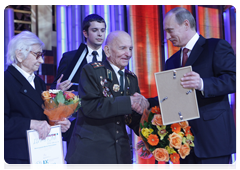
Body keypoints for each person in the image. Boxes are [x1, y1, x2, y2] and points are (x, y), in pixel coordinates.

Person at [162, 7, 238, 169]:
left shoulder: (216, 46)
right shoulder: (171, 61)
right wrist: (144, 102)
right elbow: (169, 97)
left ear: (186, 24)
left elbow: (234, 79)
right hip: (185, 144)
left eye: (170, 30)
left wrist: (202, 83)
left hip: (214, 141)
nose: (167, 37)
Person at [65, 30, 149, 168]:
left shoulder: (131, 78)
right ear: (107, 50)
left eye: (130, 48)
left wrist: (154, 130)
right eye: (122, 48)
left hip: (120, 155)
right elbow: (91, 107)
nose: (128, 53)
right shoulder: (91, 71)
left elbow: (132, 117)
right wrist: (129, 102)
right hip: (91, 154)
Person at [4, 31, 71, 169]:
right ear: (19, 54)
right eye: (37, 55)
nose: (41, 60)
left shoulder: (38, 82)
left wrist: (56, 123)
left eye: (42, 55)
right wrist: (31, 124)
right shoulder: (5, 81)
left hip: (41, 154)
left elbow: (42, 117)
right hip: (18, 159)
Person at [50, 14, 107, 92]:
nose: (100, 34)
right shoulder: (69, 57)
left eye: (102, 30)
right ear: (85, 33)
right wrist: (57, 89)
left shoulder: (111, 58)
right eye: (95, 30)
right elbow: (55, 86)